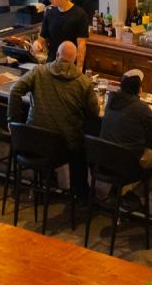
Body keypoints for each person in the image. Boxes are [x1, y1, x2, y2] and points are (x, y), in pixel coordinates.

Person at [7, 40, 99, 196]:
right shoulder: (84, 83)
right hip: (63, 145)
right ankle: (80, 195)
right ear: (75, 60)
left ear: (56, 54)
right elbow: (94, 113)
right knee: (81, 149)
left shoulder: (39, 72)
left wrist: (13, 121)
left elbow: (14, 91)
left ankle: (44, 182)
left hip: (33, 141)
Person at [100, 69, 152, 186]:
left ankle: (116, 192)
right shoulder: (140, 107)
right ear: (139, 89)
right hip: (129, 162)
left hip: (105, 158)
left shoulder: (110, 101)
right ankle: (135, 195)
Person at [34, 0, 88, 68]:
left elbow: (81, 46)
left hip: (70, 65)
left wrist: (79, 69)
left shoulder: (80, 15)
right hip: (52, 63)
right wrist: (37, 43)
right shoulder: (50, 13)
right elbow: (42, 38)